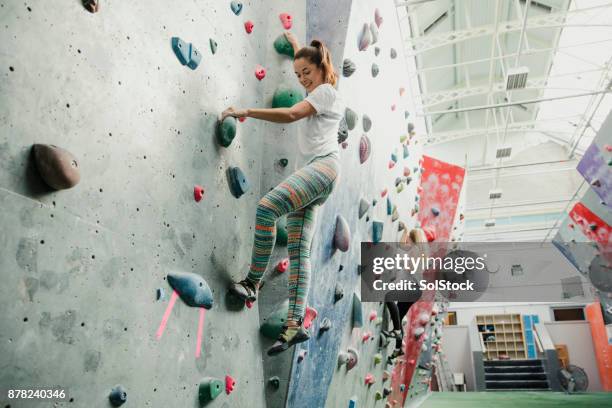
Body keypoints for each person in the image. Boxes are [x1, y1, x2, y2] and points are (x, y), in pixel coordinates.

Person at [222, 32, 343, 356]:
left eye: (307, 72)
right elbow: (306, 60)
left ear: (321, 68)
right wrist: (294, 47)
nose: (302, 79)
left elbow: (290, 115)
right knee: (298, 249)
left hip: (324, 167)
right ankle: (293, 326)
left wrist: (246, 111)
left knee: (267, 208)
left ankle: (251, 282)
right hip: (322, 176)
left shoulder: (327, 92)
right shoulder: (320, 89)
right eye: (298, 74)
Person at [382, 228, 427, 360]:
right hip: (416, 290)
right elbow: (402, 246)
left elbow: (408, 268)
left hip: (412, 287)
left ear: (412, 239)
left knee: (388, 297)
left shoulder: (415, 251)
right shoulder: (419, 251)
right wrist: (404, 232)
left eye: (408, 238)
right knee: (399, 317)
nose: (406, 240)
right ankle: (398, 348)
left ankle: (396, 331)